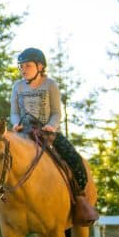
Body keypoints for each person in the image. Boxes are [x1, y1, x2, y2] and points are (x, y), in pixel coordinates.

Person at [10, 47, 98, 226]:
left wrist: (51, 126)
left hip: (47, 131)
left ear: (40, 66)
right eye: (21, 66)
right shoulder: (17, 86)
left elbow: (57, 112)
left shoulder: (50, 85)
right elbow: (14, 112)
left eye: (27, 65)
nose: (23, 69)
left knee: (73, 158)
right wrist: (16, 122)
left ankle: (80, 200)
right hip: (23, 132)